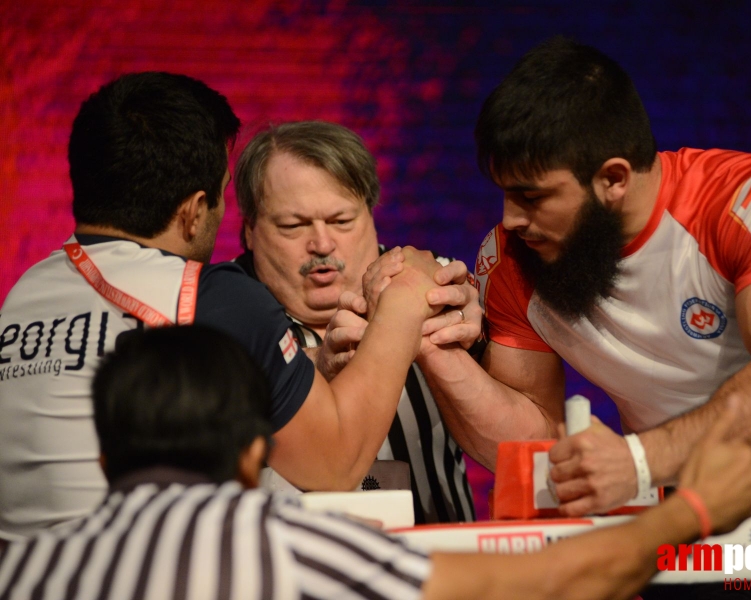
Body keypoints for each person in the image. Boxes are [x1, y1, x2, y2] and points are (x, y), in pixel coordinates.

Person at [371, 37, 751, 591]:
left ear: (614, 179)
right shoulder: (511, 260)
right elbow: (528, 445)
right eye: (503, 193)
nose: (511, 219)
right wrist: (433, 347)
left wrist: (639, 462)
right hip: (695, 529)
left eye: (531, 196)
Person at [0, 71, 455, 541]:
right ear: (195, 210)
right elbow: (336, 462)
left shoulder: (22, 295)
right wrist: (403, 299)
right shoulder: (213, 298)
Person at [0, 325, 751, 600]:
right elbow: (556, 582)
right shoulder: (288, 547)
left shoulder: (24, 570)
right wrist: (691, 511)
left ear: (103, 453)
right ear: (253, 452)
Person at [233, 121, 476, 523]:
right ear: (249, 231)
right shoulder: (218, 310)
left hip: (437, 563)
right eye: (294, 226)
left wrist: (480, 335)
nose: (322, 244)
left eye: (342, 221)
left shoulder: (440, 285)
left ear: (371, 213)